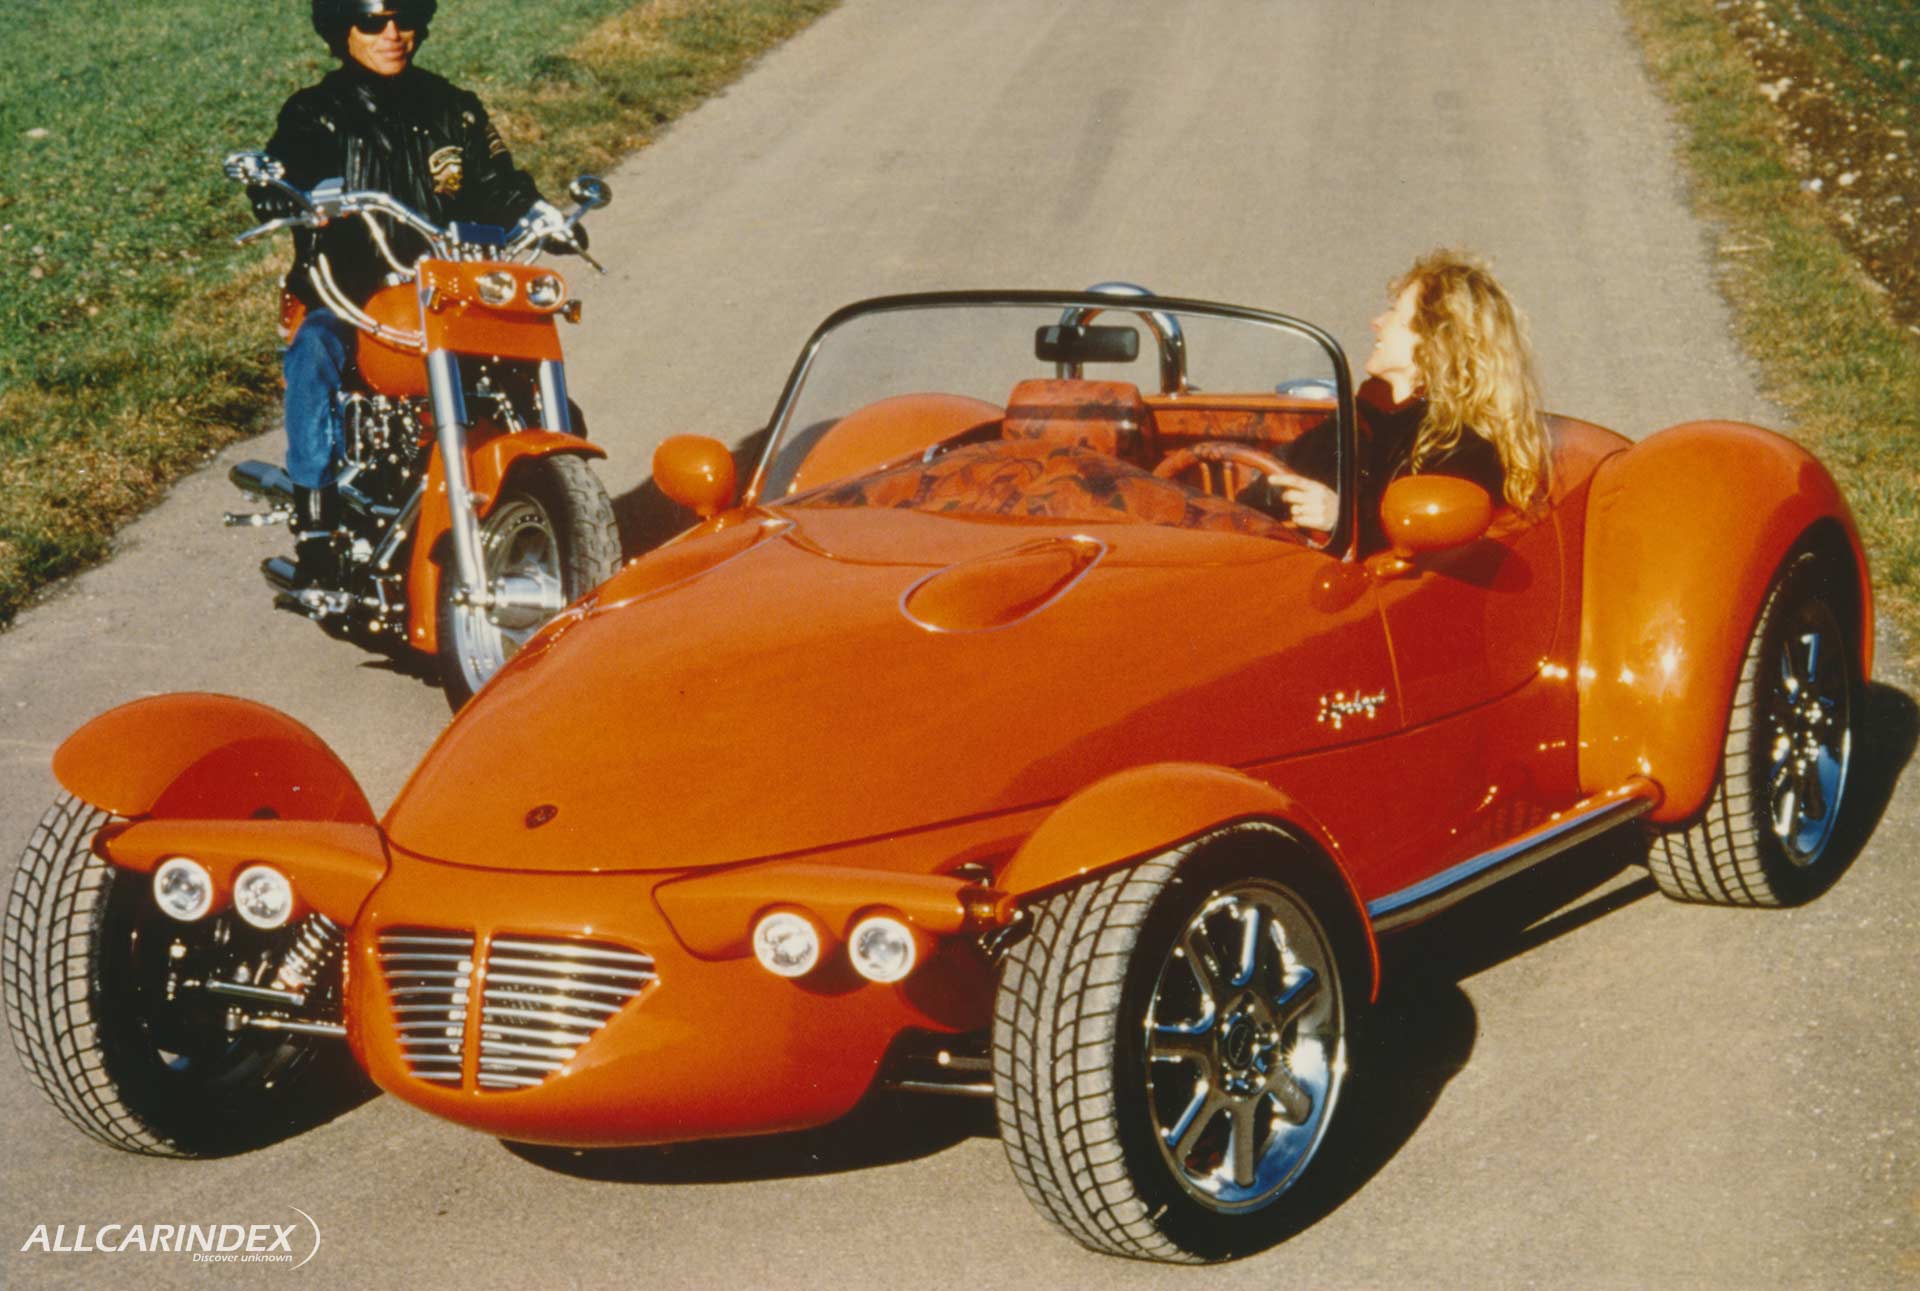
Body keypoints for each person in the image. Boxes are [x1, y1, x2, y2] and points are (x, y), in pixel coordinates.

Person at [255, 0, 563, 586]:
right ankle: (316, 524)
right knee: (314, 351)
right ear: (342, 30)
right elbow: (287, 166)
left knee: (525, 362)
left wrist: (538, 212)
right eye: (373, 21)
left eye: (405, 17)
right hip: (351, 295)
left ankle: (555, 492)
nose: (392, 34)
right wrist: (281, 191)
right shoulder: (315, 114)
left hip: (449, 291)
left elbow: (498, 183)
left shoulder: (452, 107)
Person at [1270, 249, 1551, 548]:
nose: (1376, 322)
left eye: (1394, 312)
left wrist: (1344, 518)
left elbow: (1428, 548)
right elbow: (1277, 478)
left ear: (1434, 341)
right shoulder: (1363, 416)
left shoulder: (1468, 447)